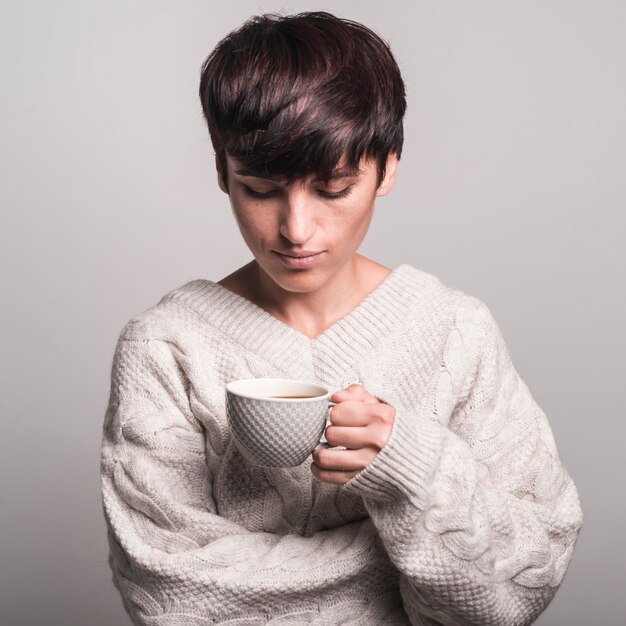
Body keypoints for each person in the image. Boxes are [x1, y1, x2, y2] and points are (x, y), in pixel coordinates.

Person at [100, 11, 583, 626]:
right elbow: (167, 595)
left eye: (332, 189)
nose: (295, 230)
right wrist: (391, 571)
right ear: (221, 172)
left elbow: (522, 580)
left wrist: (410, 464)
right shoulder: (167, 347)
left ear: (386, 169)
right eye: (260, 188)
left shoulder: (454, 331)